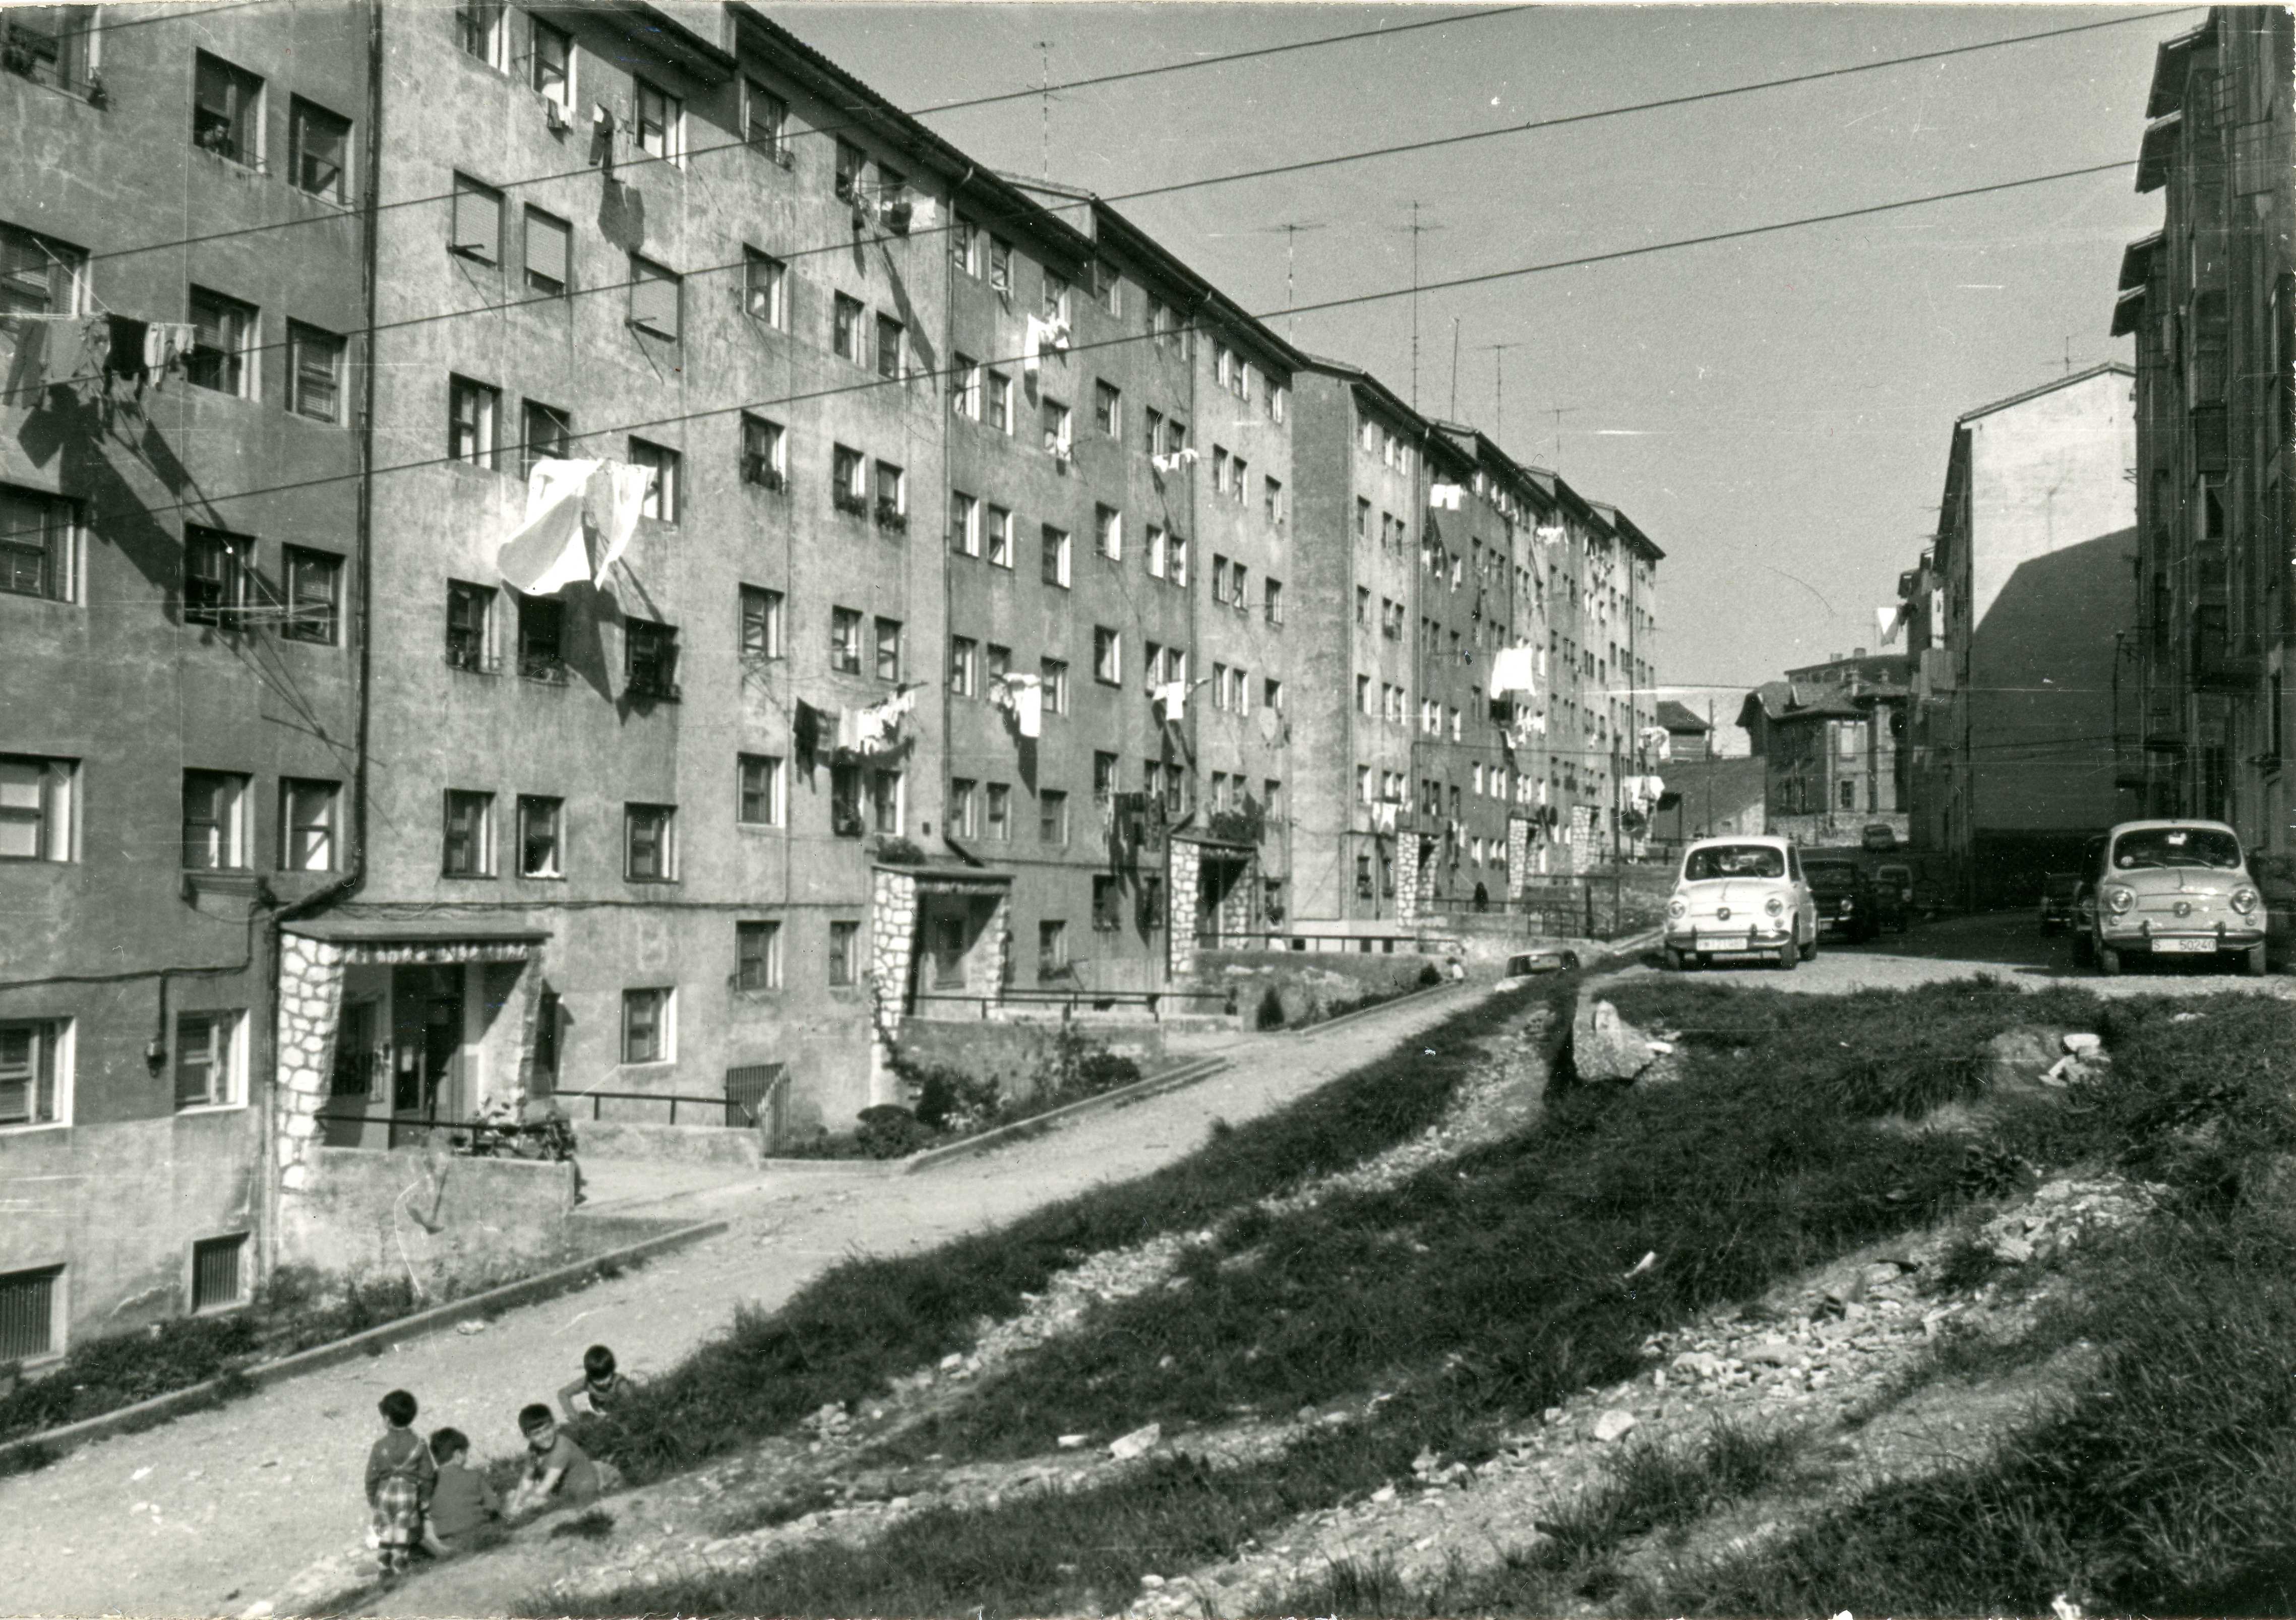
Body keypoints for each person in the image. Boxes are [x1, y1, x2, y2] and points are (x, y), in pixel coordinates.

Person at [364, 1389, 436, 1578]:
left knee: (386, 1533)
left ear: (387, 1420)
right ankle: (400, 1564)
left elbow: (371, 1477)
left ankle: (383, 1567)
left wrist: (373, 1499)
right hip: (407, 1495)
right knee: (402, 1531)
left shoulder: (380, 1447)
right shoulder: (419, 1444)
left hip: (385, 1496)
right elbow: (428, 1474)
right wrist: (425, 1497)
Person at [506, 1403, 621, 1518]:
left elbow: (546, 1486)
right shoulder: (534, 1452)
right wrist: (516, 1504)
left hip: (586, 1485)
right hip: (565, 1488)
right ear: (527, 1437)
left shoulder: (561, 1447)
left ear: (554, 1425)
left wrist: (525, 1503)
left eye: (547, 1429)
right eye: (537, 1434)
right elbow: (528, 1478)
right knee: (516, 1497)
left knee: (581, 1512)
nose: (544, 1436)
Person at [423, 1427, 501, 1553]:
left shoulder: (430, 1483)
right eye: (466, 1453)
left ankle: (441, 1549)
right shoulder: (474, 1476)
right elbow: (493, 1505)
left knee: (424, 1521)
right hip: (480, 1532)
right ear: (458, 1455)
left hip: (449, 1541)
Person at [557, 1343, 638, 1423]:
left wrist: (617, 1418)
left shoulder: (621, 1385)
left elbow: (632, 1406)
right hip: (598, 1411)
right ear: (589, 1374)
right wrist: (575, 1417)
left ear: (612, 1370)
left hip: (620, 1412)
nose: (601, 1383)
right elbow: (563, 1393)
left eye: (605, 1378)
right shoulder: (587, 1380)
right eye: (597, 1380)